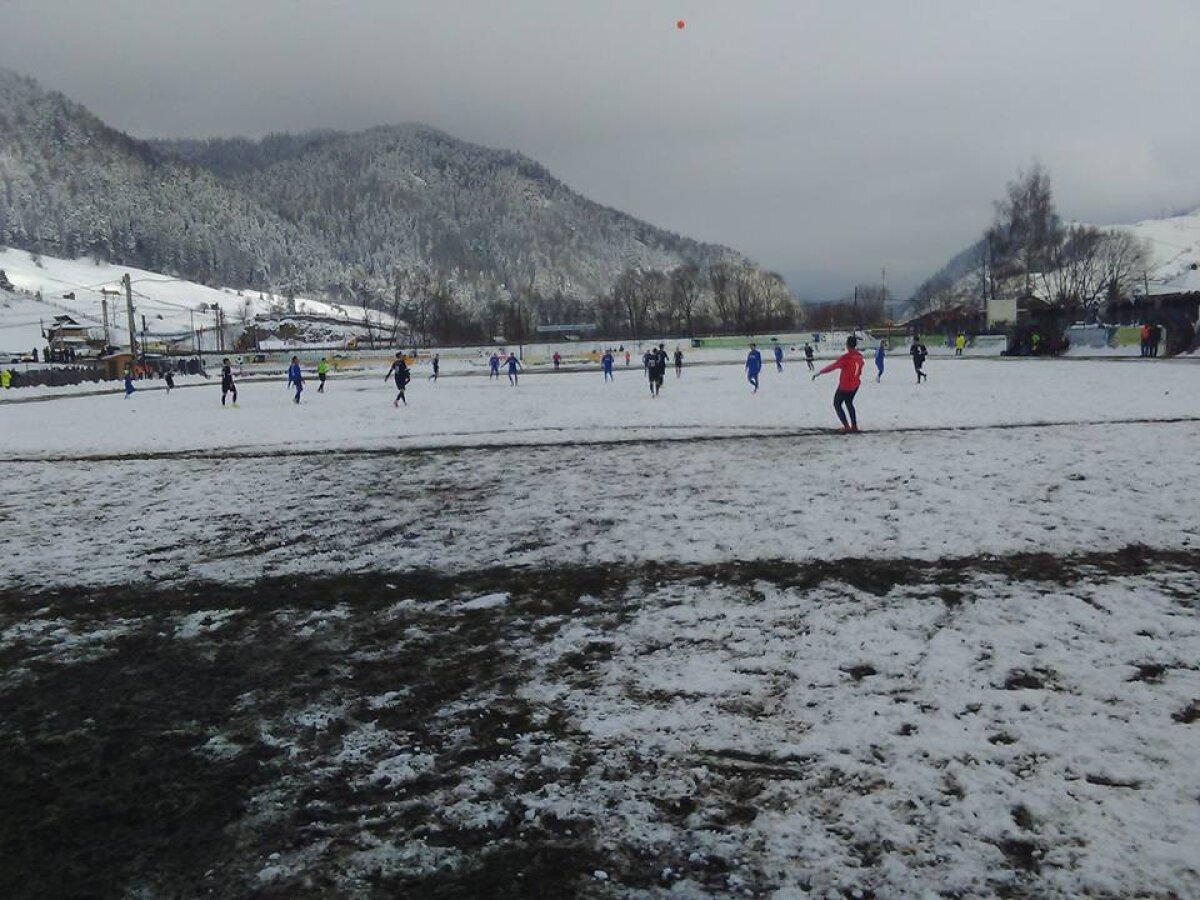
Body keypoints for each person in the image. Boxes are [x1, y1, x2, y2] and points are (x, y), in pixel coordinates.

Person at [813, 335, 865, 433]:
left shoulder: (846, 358)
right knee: (849, 403)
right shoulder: (859, 357)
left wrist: (820, 372)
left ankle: (846, 426)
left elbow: (833, 366)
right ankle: (854, 426)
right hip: (855, 386)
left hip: (845, 387)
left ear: (847, 345)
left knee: (837, 404)